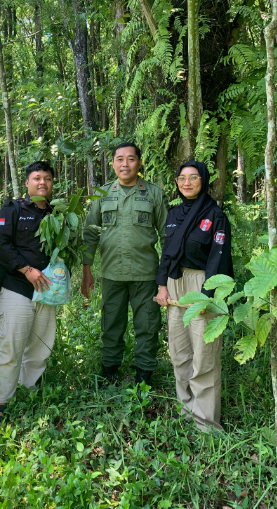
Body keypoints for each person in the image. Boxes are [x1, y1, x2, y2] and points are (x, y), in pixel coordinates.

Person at [82, 143, 169, 386]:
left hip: (146, 275)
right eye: (119, 159)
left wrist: (165, 277)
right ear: (112, 163)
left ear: (139, 163)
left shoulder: (154, 193)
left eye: (131, 159)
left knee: (147, 326)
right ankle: (109, 372)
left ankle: (144, 374)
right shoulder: (102, 194)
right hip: (111, 274)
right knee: (110, 325)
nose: (125, 164)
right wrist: (86, 271)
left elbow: (167, 237)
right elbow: (90, 234)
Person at [155, 161, 233, 432]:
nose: (186, 182)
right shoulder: (174, 213)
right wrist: (161, 285)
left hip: (202, 283)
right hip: (175, 282)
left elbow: (218, 259)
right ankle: (185, 409)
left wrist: (207, 296)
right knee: (179, 351)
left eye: (193, 178)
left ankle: (206, 422)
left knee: (204, 355)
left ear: (204, 181)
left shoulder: (215, 215)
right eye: (181, 178)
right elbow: (166, 252)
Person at [0, 161, 55, 422]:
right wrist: (26, 269)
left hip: (48, 292)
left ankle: (28, 392)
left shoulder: (57, 213)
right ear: (27, 183)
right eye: (37, 178)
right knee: (11, 346)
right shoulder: (13, 208)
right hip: (17, 288)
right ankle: (1, 401)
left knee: (40, 346)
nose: (42, 183)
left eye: (47, 178)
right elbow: (0, 244)